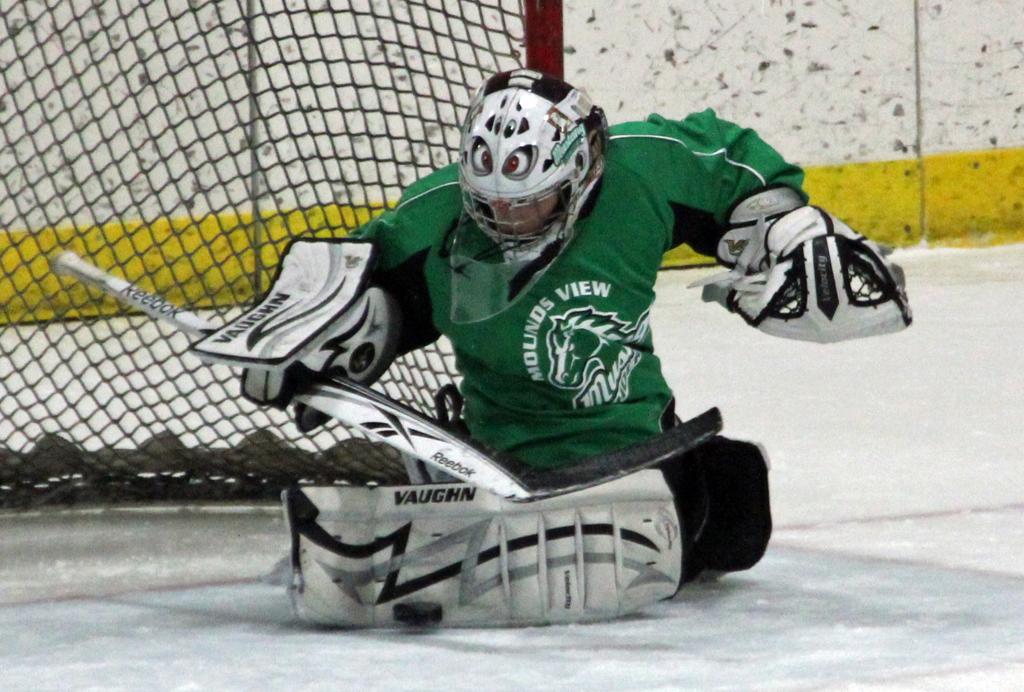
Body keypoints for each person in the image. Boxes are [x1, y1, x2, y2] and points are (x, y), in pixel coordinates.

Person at [245, 69, 911, 627]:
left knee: (737, 514)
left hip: (632, 453)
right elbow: (346, 283)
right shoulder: (435, 217)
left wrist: (790, 231)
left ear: (582, 169)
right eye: (491, 203)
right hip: (490, 463)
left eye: (531, 203)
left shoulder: (645, 169)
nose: (506, 219)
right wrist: (301, 343)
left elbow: (738, 170)